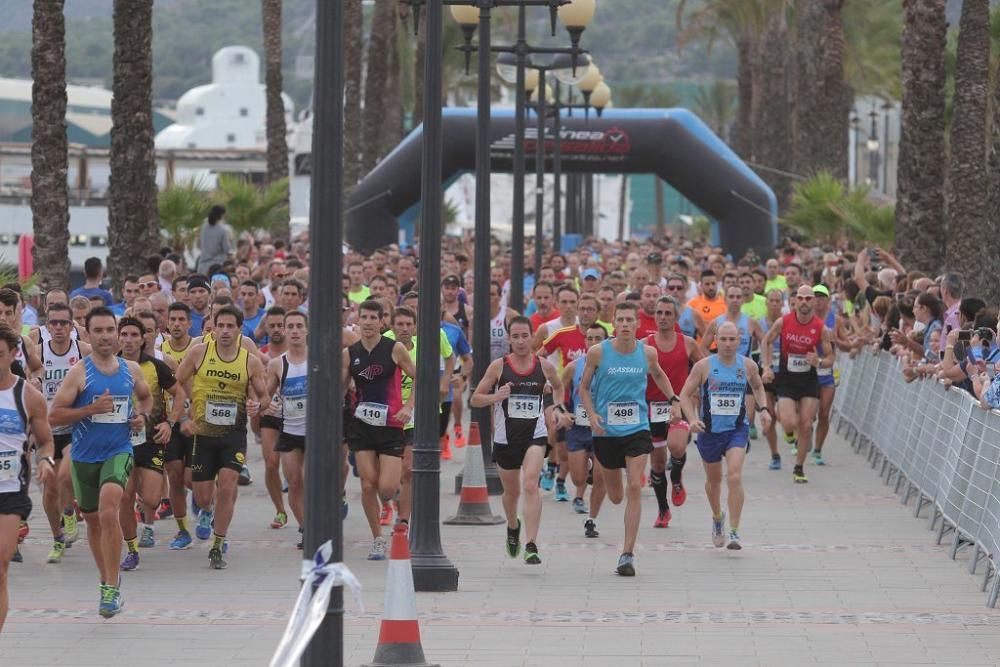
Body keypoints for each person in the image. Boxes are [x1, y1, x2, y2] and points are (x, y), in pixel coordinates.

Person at [49, 307, 154, 617]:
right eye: (100, 331)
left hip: (119, 451)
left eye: (111, 330)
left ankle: (109, 588)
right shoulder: (79, 372)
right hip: (84, 457)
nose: (107, 336)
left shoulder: (131, 370)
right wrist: (90, 409)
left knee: (110, 509)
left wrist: (142, 417)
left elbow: (147, 398)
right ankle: (108, 579)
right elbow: (54, 415)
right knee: (93, 521)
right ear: (88, 334)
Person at [579, 301, 677, 577]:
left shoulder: (647, 353)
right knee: (615, 495)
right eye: (619, 320)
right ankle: (603, 477)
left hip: (637, 428)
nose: (624, 324)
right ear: (613, 323)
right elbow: (584, 387)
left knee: (635, 486)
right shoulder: (598, 352)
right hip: (606, 431)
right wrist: (591, 414)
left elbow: (659, 374)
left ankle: (627, 554)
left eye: (629, 320)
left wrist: (673, 399)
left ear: (636, 324)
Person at [174, 306, 268, 569]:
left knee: (227, 487)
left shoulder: (249, 360)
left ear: (239, 330)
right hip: (203, 433)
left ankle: (218, 542)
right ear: (212, 328)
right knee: (204, 496)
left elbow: (263, 396)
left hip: (233, 434)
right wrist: (187, 412)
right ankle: (207, 510)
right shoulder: (199, 353)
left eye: (231, 326)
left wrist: (256, 405)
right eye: (220, 326)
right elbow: (176, 383)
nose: (225, 331)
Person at [471, 316, 563, 565]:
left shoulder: (544, 366)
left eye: (525, 336)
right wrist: (495, 397)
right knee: (511, 492)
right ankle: (513, 526)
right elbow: (475, 399)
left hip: (535, 434)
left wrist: (556, 407)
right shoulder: (498, 367)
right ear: (509, 339)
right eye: (516, 336)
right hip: (505, 438)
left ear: (533, 337)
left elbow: (558, 385)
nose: (521, 341)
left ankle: (531, 544)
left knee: (531, 484)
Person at [681, 322, 771, 550]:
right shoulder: (703, 367)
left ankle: (734, 531)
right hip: (709, 432)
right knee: (714, 481)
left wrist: (764, 409)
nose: (729, 344)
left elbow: (759, 387)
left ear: (739, 341)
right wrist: (692, 419)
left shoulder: (748, 365)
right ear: (716, 340)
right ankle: (717, 517)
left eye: (733, 340)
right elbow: (684, 395)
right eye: (724, 339)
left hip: (736, 429)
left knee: (734, 476)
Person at [342, 300, 416, 560]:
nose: (369, 322)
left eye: (374, 318)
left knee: (385, 488)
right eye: (365, 317)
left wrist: (408, 406)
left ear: (382, 322)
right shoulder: (350, 353)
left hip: (390, 424)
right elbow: (341, 388)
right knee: (367, 485)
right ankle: (377, 539)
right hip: (361, 425)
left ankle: (394, 498)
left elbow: (419, 377)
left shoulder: (394, 349)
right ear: (358, 320)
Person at [116, 317, 185, 571]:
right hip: (119, 441)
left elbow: (180, 394)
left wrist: (170, 423)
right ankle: (132, 549)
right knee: (125, 495)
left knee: (152, 498)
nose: (130, 340)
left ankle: (148, 521)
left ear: (143, 338)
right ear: (118, 337)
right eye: (125, 334)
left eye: (135, 335)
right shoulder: (110, 365)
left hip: (151, 439)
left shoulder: (156, 367)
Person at [0, 324, 56, 631]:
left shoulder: (28, 396)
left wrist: (45, 460)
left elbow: (46, 440)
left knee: (1, 567)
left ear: (12, 355)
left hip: (9, 487)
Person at [761, 285, 834, 484]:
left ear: (812, 302)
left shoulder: (820, 327)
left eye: (808, 299)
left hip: (808, 380)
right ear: (795, 301)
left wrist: (818, 361)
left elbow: (830, 358)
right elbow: (766, 341)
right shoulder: (784, 322)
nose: (804, 302)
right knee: (789, 422)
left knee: (806, 424)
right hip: (786, 378)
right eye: (800, 298)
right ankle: (789, 433)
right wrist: (767, 367)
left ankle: (799, 467)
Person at [38, 303, 92, 564]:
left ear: (72, 327)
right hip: (46, 431)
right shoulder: (38, 353)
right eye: (54, 323)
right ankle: (57, 537)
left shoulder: (83, 351)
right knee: (49, 490)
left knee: (65, 475)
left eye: (63, 323)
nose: (59, 327)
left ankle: (69, 513)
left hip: (74, 427)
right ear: (47, 327)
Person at [645, 295, 704, 528]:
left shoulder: (688, 343)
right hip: (652, 407)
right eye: (659, 313)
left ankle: (677, 476)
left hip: (679, 406)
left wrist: (695, 395)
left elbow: (704, 369)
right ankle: (663, 509)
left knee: (677, 446)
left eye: (668, 313)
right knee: (658, 465)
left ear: (676, 317)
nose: (663, 317)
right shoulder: (645, 344)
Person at [558, 323, 608, 538]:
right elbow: (558, 389)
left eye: (598, 338)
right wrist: (562, 411)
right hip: (578, 427)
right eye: (590, 338)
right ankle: (586, 468)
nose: (594, 342)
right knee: (579, 479)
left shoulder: (612, 367)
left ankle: (592, 519)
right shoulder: (573, 366)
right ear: (584, 341)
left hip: (604, 429)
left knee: (600, 478)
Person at [264, 310, 309, 549]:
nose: (293, 331)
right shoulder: (277, 364)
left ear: (306, 330)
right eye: (289, 326)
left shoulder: (318, 358)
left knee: (313, 481)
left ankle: (320, 524)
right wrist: (261, 405)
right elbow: (266, 395)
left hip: (315, 431)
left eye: (298, 326)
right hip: (290, 430)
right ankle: (306, 528)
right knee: (294, 482)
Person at [196, 205, 231, 275]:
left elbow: (200, 243)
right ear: (221, 216)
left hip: (202, 265)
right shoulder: (223, 230)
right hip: (216, 266)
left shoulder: (204, 227)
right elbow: (226, 249)